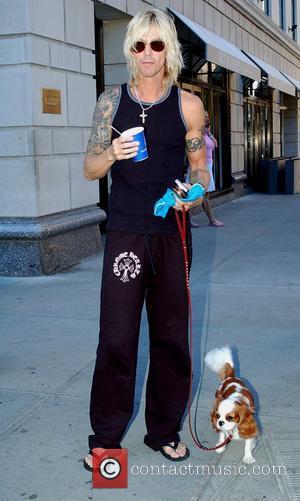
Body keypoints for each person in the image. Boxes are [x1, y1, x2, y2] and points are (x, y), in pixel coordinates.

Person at [82, 8, 210, 468]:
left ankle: (163, 430)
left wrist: (193, 192)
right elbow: (89, 169)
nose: (148, 54)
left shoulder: (188, 104)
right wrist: (112, 152)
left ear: (169, 50)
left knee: (172, 336)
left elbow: (200, 168)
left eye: (157, 44)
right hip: (125, 235)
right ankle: (106, 436)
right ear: (130, 50)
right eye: (140, 44)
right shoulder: (109, 101)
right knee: (117, 336)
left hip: (171, 235)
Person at [190, 111, 224, 227]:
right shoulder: (195, 132)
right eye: (204, 116)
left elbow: (215, 144)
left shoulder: (206, 132)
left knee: (204, 195)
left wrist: (209, 133)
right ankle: (212, 220)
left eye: (207, 116)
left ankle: (190, 219)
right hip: (201, 167)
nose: (207, 118)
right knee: (201, 195)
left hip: (208, 165)